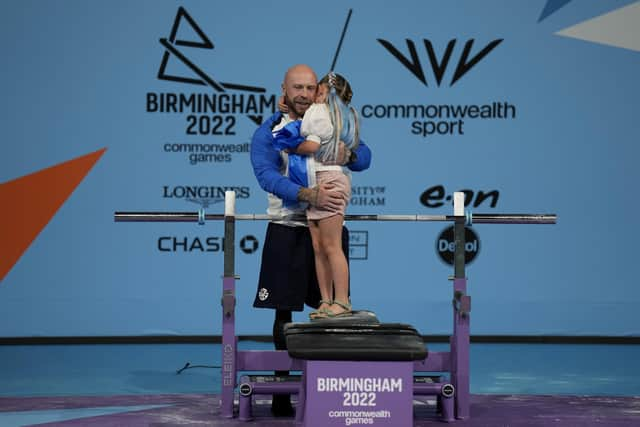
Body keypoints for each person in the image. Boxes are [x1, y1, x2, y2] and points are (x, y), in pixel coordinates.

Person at [250, 64, 371, 416]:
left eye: (308, 87)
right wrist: (307, 195)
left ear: (316, 90)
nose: (303, 93)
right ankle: (281, 391)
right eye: (296, 88)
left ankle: (329, 390)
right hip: (288, 227)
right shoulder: (269, 131)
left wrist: (347, 154)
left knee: (332, 313)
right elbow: (266, 176)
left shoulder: (332, 119)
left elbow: (365, 155)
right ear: (283, 90)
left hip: (327, 223)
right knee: (283, 314)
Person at [272, 72, 360, 319]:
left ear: (328, 96)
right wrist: (286, 114)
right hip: (315, 183)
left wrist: (288, 145)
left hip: (329, 182)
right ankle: (325, 300)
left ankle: (341, 301)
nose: (312, 96)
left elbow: (312, 145)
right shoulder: (323, 113)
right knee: (319, 247)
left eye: (317, 91)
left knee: (331, 246)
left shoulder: (323, 114)